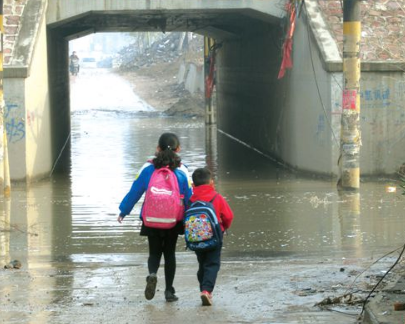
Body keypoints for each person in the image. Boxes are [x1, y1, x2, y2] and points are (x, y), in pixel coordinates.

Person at [117, 133, 192, 302]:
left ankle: (152, 274)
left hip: (151, 218)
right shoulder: (182, 170)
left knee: (154, 252)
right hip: (174, 219)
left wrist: (124, 210)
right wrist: (190, 218)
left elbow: (135, 191)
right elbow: (189, 196)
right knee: (170, 254)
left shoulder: (148, 168)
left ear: (157, 148)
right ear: (178, 149)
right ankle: (169, 291)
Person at [189, 167, 234, 306]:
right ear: (211, 183)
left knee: (202, 264)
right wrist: (225, 227)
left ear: (193, 185)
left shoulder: (191, 200)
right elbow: (228, 216)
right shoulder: (217, 197)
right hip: (215, 237)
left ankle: (203, 288)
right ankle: (206, 291)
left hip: (196, 239)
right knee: (212, 264)